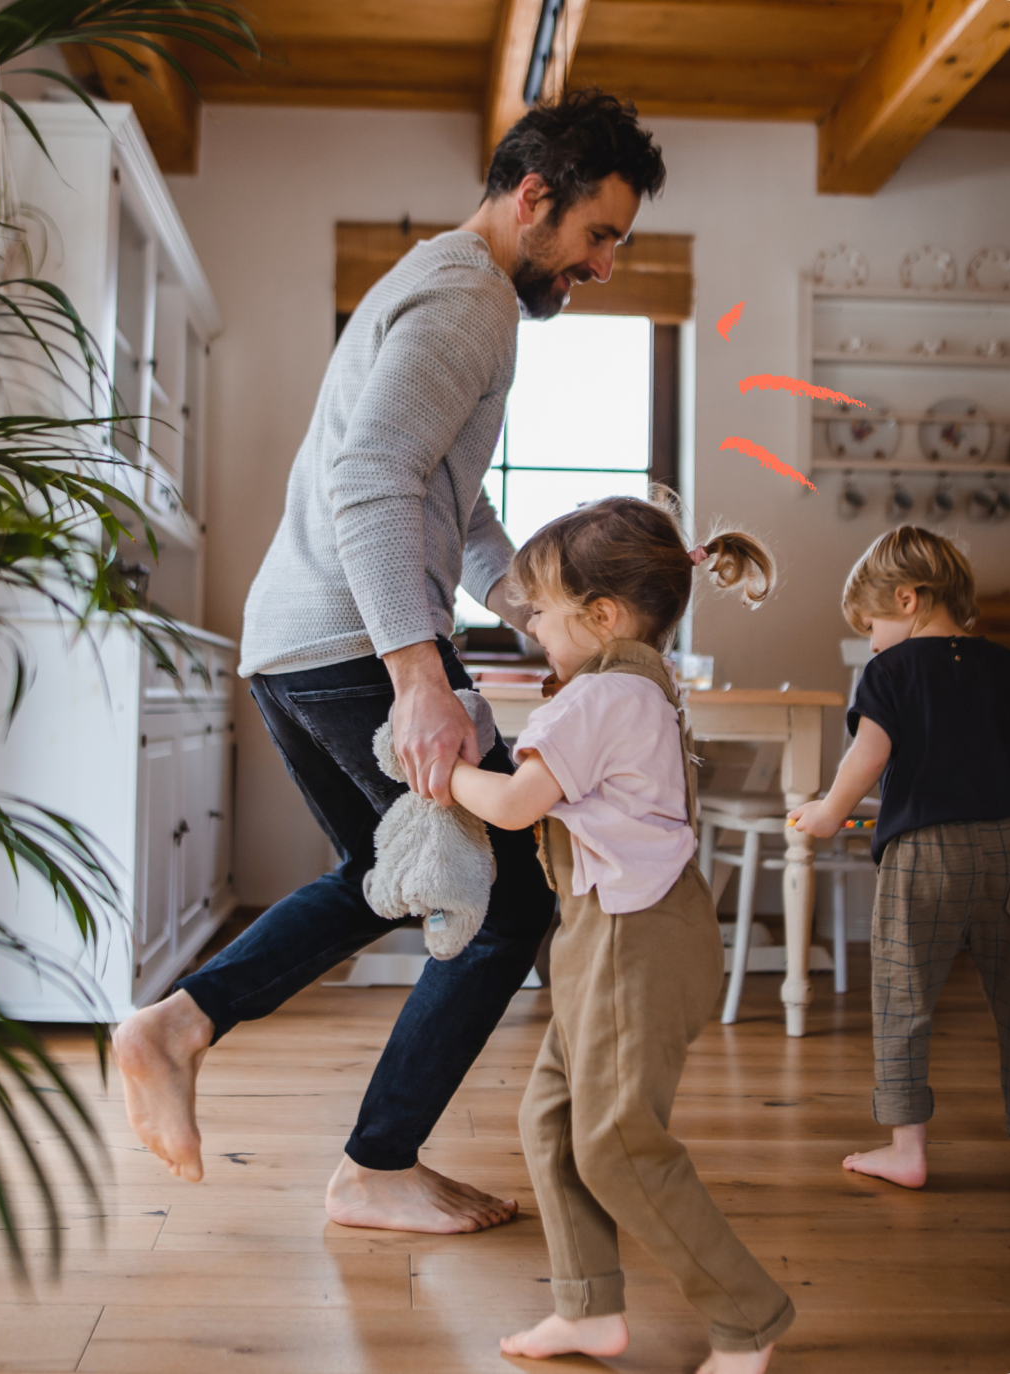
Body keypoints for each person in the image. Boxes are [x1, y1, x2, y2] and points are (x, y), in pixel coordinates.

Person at [112, 92, 669, 1233]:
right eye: (598, 234)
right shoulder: (472, 299)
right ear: (534, 198)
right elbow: (372, 480)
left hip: (301, 638)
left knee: (387, 871)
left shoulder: (440, 280)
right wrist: (419, 675)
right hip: (354, 638)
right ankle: (374, 1164)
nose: (604, 265)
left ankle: (178, 1025)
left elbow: (446, 504)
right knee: (508, 900)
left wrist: (546, 611)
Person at [449, 495, 795, 1371]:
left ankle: (748, 1315)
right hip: (627, 929)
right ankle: (588, 1308)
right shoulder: (643, 686)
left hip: (629, 939)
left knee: (614, 1141)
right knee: (553, 1119)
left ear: (602, 617)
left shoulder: (598, 697)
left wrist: (442, 775)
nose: (531, 627)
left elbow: (514, 804)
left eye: (541, 611)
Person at [789, 526, 1010, 1189]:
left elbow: (868, 755)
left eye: (872, 625)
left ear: (907, 599)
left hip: (925, 854)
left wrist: (828, 811)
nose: (873, 642)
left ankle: (908, 1150)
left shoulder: (890, 671)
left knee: (903, 999)